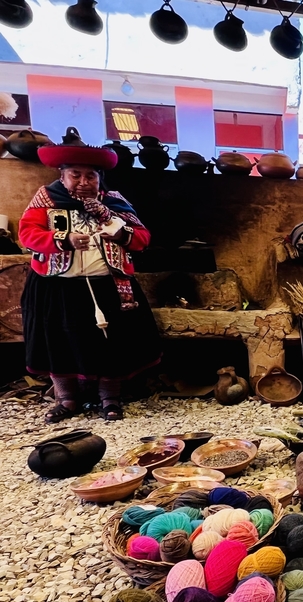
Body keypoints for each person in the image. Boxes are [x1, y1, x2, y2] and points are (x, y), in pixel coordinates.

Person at [19, 127, 161, 422]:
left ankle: (110, 398)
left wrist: (107, 217)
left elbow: (142, 239)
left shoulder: (114, 202)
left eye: (90, 176)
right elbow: (28, 234)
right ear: (62, 175)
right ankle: (67, 399)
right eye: (76, 175)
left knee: (111, 344)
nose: (84, 182)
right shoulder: (46, 199)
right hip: (56, 286)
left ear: (100, 178)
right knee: (58, 342)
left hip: (108, 285)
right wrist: (63, 241)